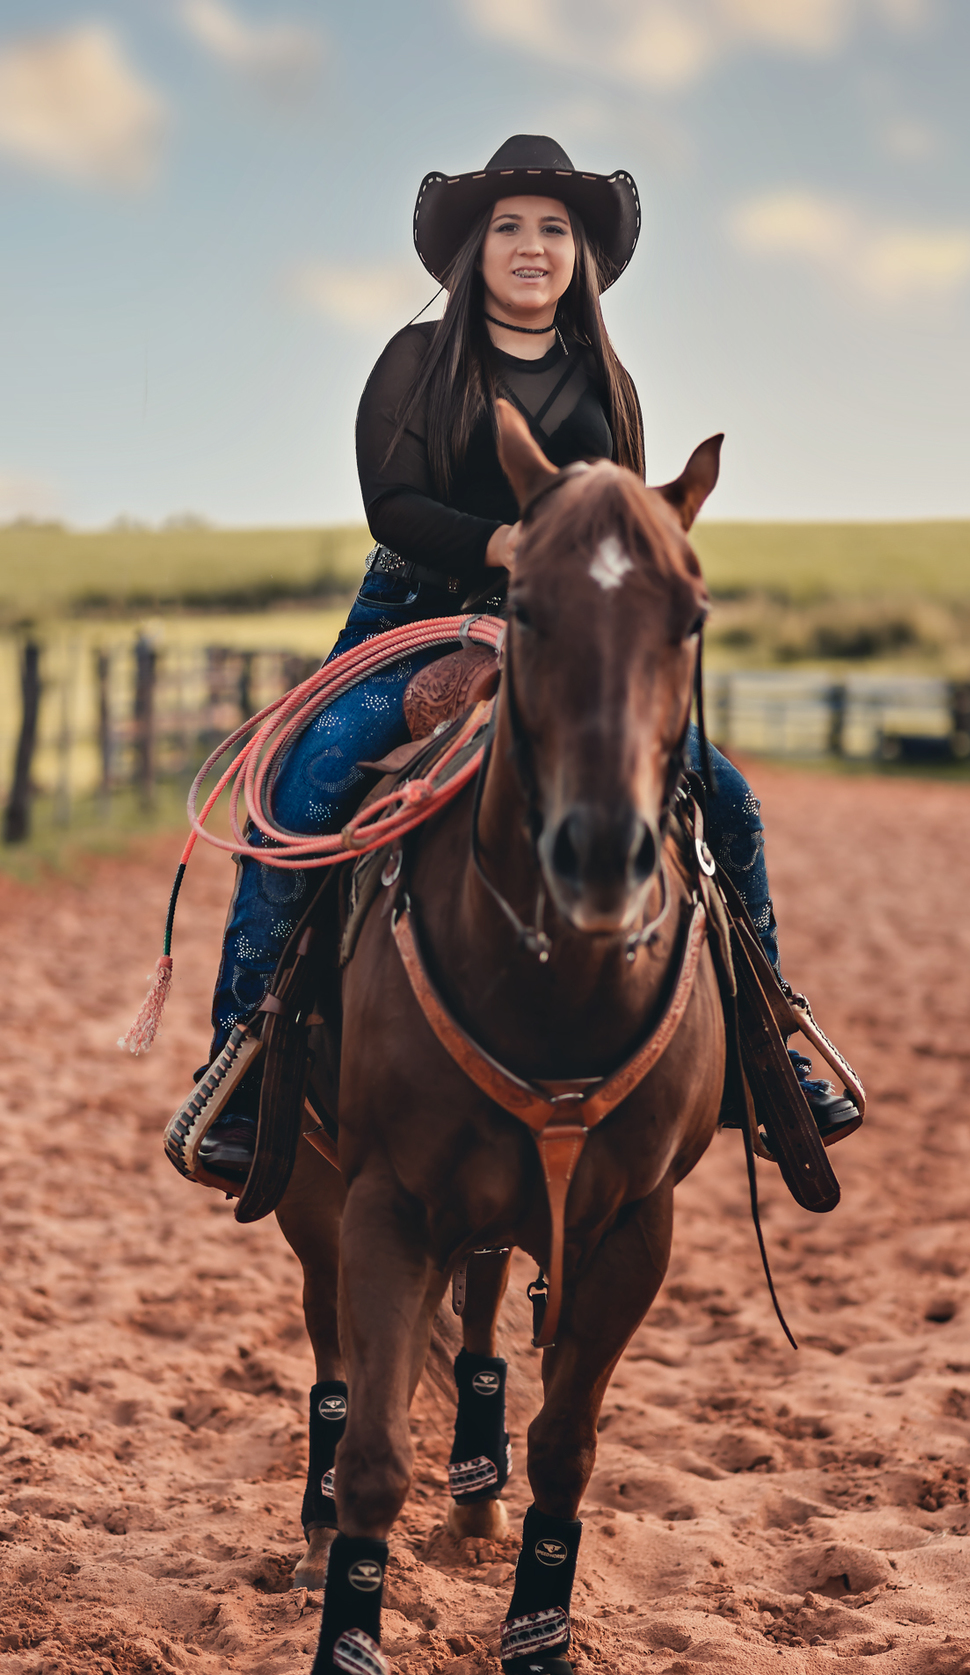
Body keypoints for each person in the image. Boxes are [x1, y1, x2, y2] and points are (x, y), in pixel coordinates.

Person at [197, 135, 858, 1176]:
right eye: (509, 227)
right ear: (475, 252)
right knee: (304, 781)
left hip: (562, 635)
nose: (533, 246)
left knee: (726, 801)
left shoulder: (610, 381)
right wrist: (500, 544)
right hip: (410, 617)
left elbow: (620, 527)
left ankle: (762, 1057)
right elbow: (392, 501)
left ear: (581, 258)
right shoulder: (417, 362)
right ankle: (242, 1055)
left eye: (554, 229)